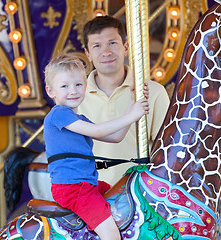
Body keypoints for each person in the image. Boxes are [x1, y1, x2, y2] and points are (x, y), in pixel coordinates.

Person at [43, 54, 149, 240]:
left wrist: (131, 106)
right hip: (73, 188)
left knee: (121, 197)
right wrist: (132, 115)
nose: (73, 91)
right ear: (51, 91)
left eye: (78, 84)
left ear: (85, 86)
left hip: (87, 185)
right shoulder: (59, 115)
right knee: (111, 235)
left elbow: (116, 137)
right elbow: (99, 131)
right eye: (64, 86)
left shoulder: (79, 119)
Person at [79, 15, 170, 185]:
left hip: (139, 191)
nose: (106, 52)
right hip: (90, 191)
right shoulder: (76, 96)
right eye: (97, 46)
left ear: (126, 47)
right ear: (88, 54)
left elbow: (165, 149)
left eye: (112, 43)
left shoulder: (154, 92)